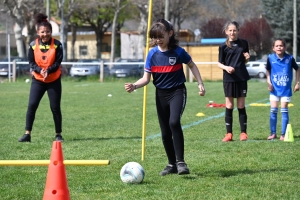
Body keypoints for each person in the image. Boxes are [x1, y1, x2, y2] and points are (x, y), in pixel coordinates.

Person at [124, 19, 205, 176]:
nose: (158, 40)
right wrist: (134, 86)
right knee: (165, 131)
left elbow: (192, 65)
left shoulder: (178, 52)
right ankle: (171, 164)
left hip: (177, 92)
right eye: (155, 37)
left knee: (174, 122)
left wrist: (200, 83)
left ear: (170, 33)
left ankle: (181, 162)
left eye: (161, 36)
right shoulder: (152, 54)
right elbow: (146, 79)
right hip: (160, 94)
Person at [18, 13, 64, 142]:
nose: (45, 34)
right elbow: (31, 62)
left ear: (51, 31)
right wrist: (40, 70)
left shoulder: (57, 45)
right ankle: (27, 134)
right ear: (38, 32)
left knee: (55, 107)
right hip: (38, 80)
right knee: (32, 105)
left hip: (53, 80)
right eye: (42, 32)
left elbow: (58, 62)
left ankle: (58, 134)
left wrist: (48, 70)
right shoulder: (33, 45)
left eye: (48, 31)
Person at [217, 21, 250, 142]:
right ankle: (229, 134)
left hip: (241, 77)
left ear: (238, 31)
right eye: (230, 30)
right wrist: (227, 68)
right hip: (228, 79)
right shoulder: (223, 46)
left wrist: (247, 58)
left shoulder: (244, 44)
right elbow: (219, 63)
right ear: (226, 32)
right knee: (229, 105)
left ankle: (243, 133)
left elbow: (244, 61)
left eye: (234, 30)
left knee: (241, 105)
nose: (232, 32)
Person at [266, 38, 299, 140]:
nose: (279, 47)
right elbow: (267, 70)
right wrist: (269, 82)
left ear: (284, 47)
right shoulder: (270, 58)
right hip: (274, 89)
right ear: (273, 48)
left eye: (281, 45)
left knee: (284, 109)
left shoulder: (289, 58)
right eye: (277, 46)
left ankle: (283, 134)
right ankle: (273, 133)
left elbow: (298, 69)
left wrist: (297, 83)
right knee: (273, 110)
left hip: (285, 90)